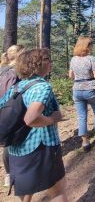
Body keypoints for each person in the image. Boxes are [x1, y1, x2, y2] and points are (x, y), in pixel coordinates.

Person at [0, 48, 67, 201]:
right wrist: (53, 118)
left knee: (25, 191)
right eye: (48, 60)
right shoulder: (42, 87)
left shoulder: (17, 87)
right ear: (37, 64)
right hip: (43, 147)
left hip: (17, 148)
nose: (51, 63)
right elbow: (31, 118)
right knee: (58, 190)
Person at [69, 37, 95, 152]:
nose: (92, 46)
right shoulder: (91, 59)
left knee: (81, 116)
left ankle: (85, 142)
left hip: (77, 90)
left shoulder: (73, 59)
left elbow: (71, 76)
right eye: (91, 45)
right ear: (87, 46)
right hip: (90, 89)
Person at [0, 45, 25, 187]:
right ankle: (14, 172)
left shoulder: (1, 69)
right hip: (12, 108)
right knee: (13, 139)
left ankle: (9, 174)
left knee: (7, 141)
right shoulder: (15, 72)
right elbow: (12, 92)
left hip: (2, 109)